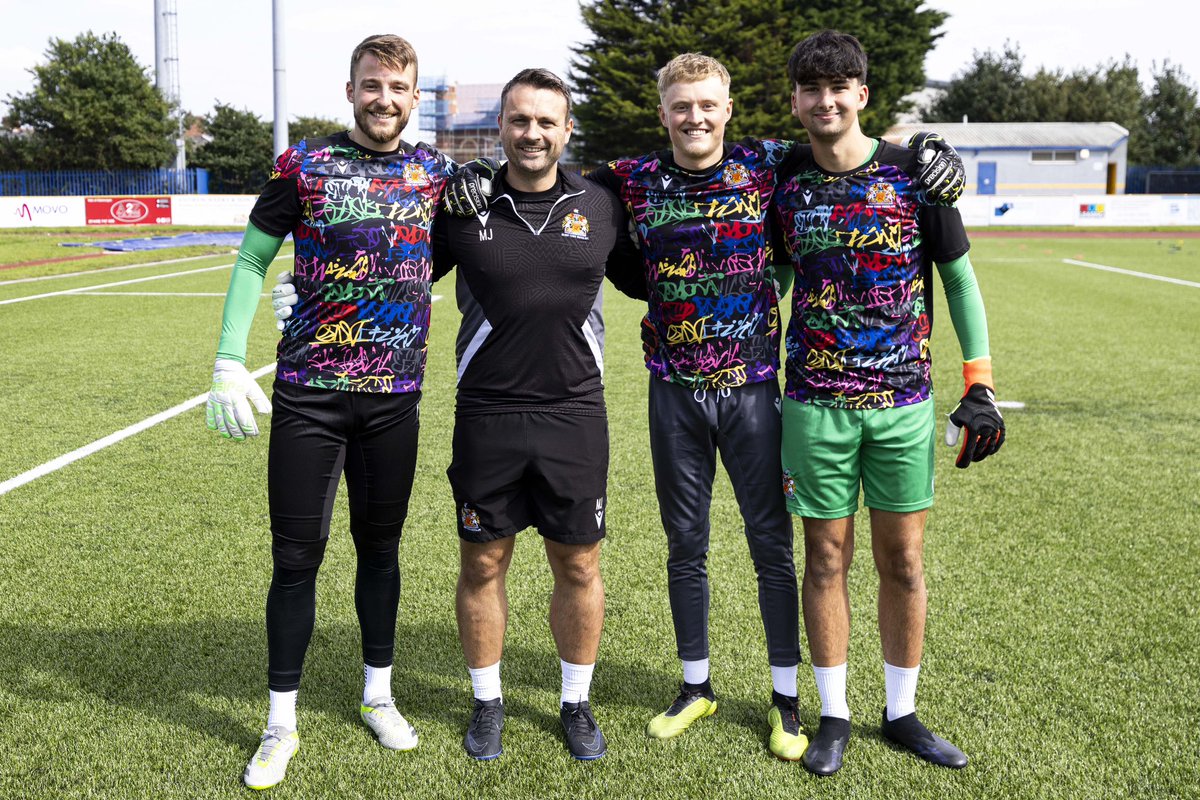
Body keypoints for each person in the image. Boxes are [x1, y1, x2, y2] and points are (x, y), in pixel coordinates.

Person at [204, 34, 456, 790]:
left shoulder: (439, 174)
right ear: (351, 90)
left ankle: (377, 694)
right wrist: (226, 357)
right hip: (310, 394)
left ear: (416, 98)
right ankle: (280, 718)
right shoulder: (304, 166)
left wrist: (363, 281)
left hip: (394, 399)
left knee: (381, 552)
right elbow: (252, 258)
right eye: (372, 85)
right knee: (296, 558)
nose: (385, 99)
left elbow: (429, 254)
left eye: (398, 87)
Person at [771, 30, 1005, 775]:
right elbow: (774, 280)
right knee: (825, 557)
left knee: (903, 560)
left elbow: (961, 282)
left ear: (863, 94)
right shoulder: (784, 178)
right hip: (813, 403)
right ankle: (834, 713)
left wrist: (980, 382)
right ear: (798, 99)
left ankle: (901, 712)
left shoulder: (914, 174)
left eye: (840, 87)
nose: (826, 101)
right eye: (812, 89)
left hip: (903, 403)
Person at [430, 68, 643, 762]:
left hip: (574, 414)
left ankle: (575, 702)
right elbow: (391, 265)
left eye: (546, 121)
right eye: (519, 120)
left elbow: (663, 264)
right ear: (500, 128)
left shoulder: (602, 203)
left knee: (578, 565)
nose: (532, 133)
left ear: (566, 129)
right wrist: (307, 293)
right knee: (483, 561)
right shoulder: (463, 205)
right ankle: (487, 702)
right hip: (487, 414)